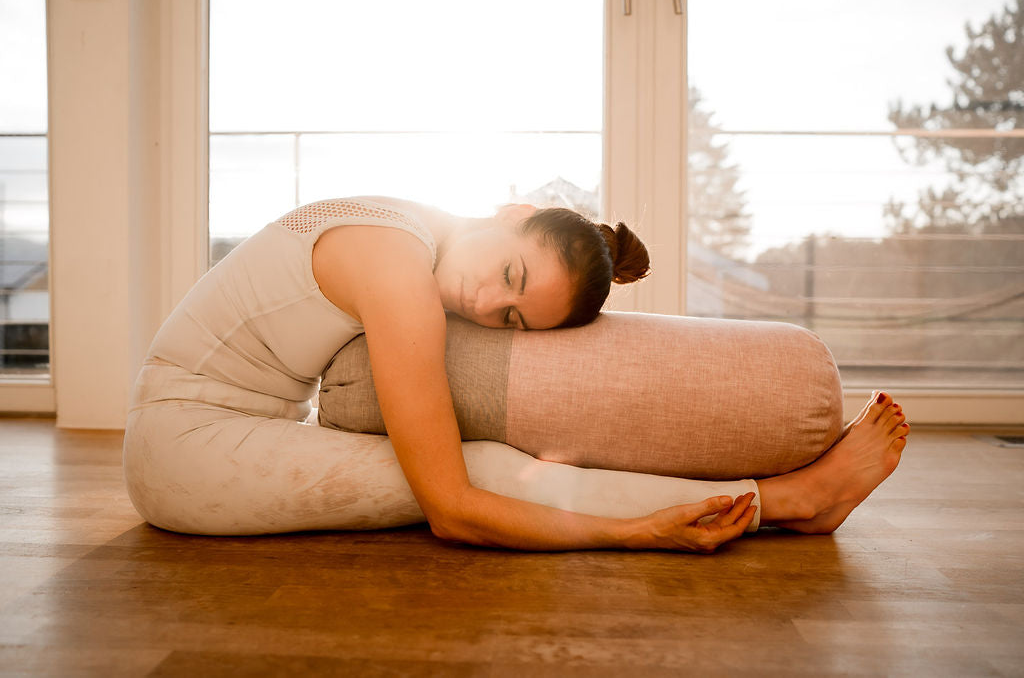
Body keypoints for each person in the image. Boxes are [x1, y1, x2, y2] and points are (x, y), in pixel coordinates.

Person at [122, 196, 910, 551]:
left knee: (489, 456)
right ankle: (793, 502)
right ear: (509, 212)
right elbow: (453, 510)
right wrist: (629, 534)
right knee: (485, 467)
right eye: (507, 270)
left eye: (510, 317)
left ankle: (785, 498)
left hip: (250, 420)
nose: (483, 298)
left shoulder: (419, 234)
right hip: (184, 444)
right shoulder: (397, 271)